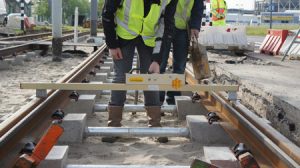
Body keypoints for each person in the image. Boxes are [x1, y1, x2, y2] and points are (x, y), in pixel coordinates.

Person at [101, 0, 178, 143]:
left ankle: (155, 125)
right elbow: (107, 12)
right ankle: (114, 125)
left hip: (149, 36)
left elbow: (166, 26)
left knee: (151, 78)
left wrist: (157, 59)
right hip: (124, 34)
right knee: (120, 77)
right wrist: (112, 44)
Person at [159, 0, 204, 105]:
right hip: (164, 26)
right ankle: (158, 99)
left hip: (183, 29)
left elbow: (198, 6)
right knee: (160, 64)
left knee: (179, 67)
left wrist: (195, 26)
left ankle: (173, 98)